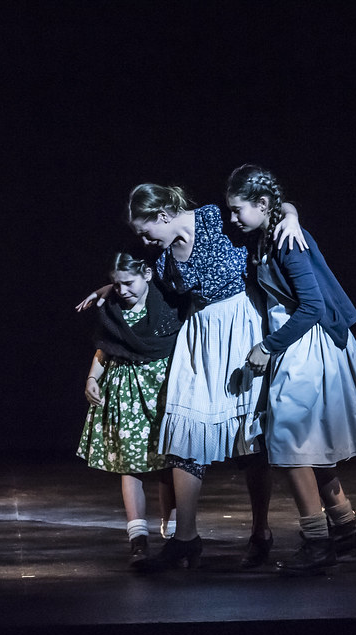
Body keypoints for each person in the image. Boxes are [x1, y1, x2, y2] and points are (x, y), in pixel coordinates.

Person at [79, 183, 305, 571]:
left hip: (240, 329)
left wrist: (293, 216)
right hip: (198, 337)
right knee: (183, 430)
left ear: (162, 216)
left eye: (146, 231)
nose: (145, 241)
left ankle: (260, 532)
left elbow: (269, 208)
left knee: (248, 440)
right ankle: (185, 538)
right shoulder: (165, 257)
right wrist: (108, 289)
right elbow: (139, 278)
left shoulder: (216, 219)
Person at [226, 164, 356, 576]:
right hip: (296, 343)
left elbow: (311, 306)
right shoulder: (271, 231)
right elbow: (284, 207)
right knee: (306, 445)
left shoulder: (287, 241)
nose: (233, 218)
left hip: (309, 344)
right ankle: (347, 530)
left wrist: (267, 347)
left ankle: (316, 542)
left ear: (262, 204)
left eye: (238, 209)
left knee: (290, 442)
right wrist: (291, 212)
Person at [76, 253, 187, 566]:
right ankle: (137, 538)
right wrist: (92, 379)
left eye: (128, 283)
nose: (122, 290)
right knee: (130, 464)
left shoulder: (167, 304)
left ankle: (174, 534)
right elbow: (105, 348)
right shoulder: (112, 309)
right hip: (126, 389)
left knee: (169, 461)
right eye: (116, 284)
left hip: (162, 388)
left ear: (147, 275)